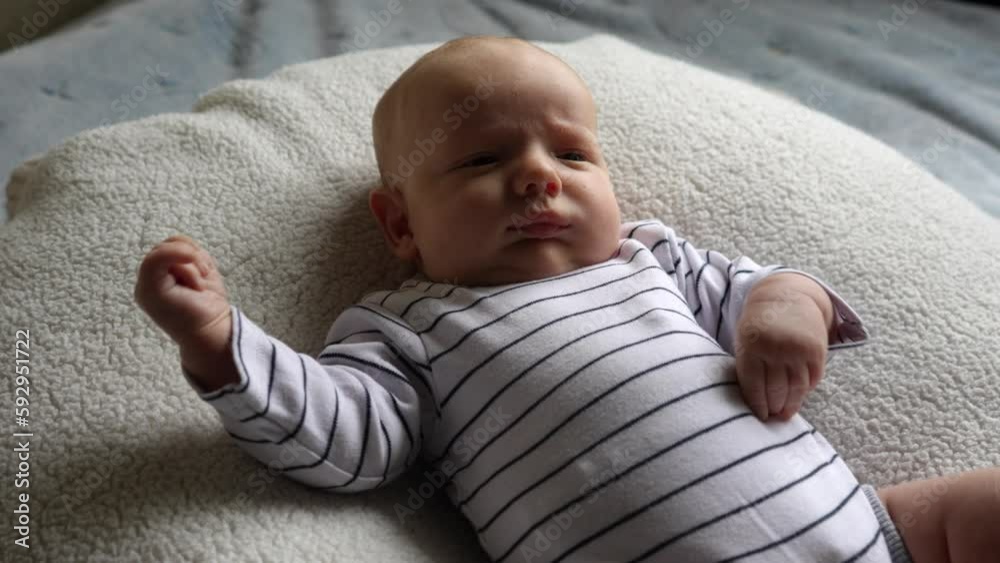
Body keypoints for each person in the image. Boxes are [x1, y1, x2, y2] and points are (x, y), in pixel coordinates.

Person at [134, 35, 999, 563]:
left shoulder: (649, 258)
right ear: (399, 223)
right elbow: (349, 438)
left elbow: (766, 286)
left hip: (878, 532)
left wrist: (783, 311)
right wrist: (222, 343)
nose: (538, 177)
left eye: (572, 155)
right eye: (483, 160)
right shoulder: (409, 328)